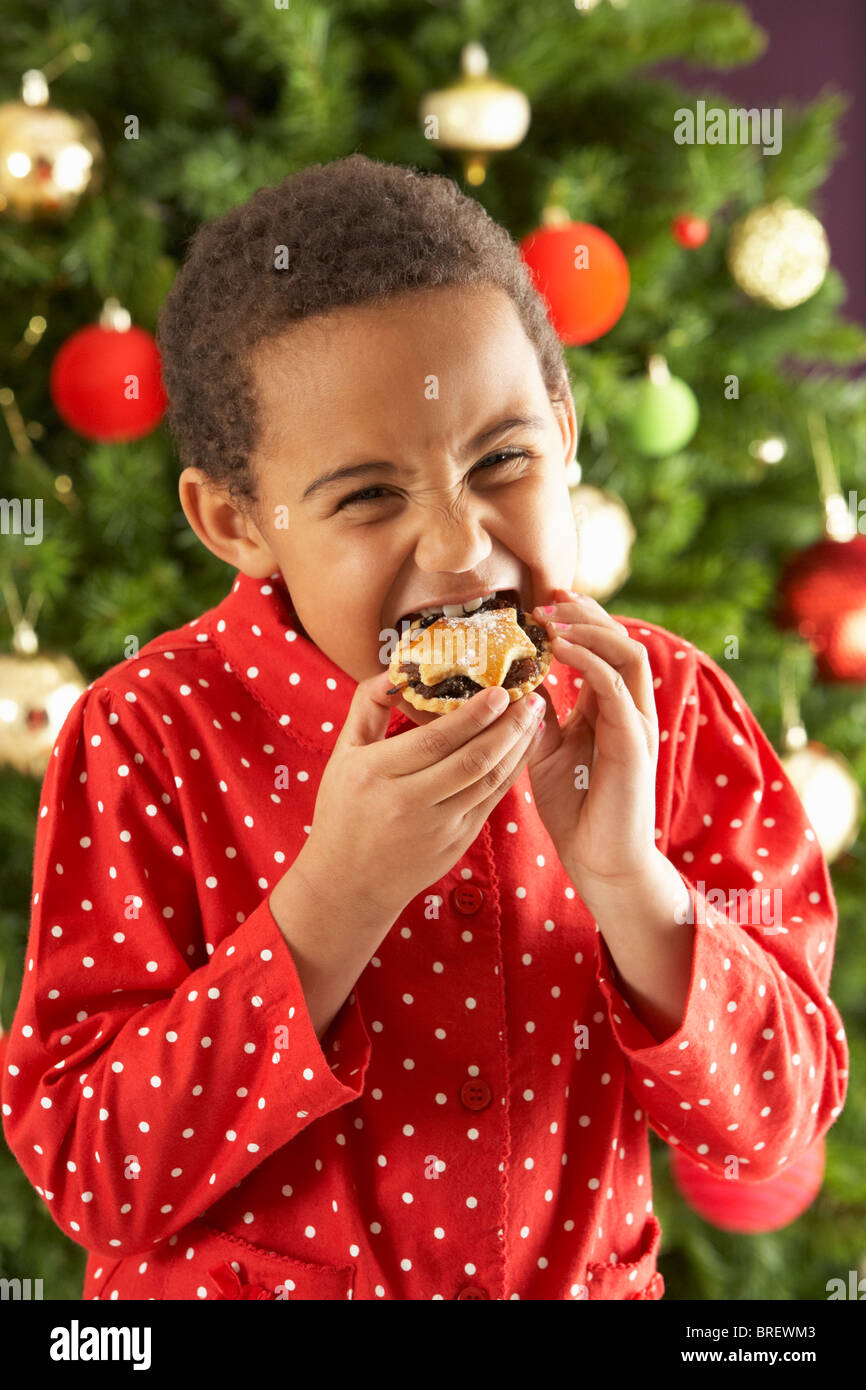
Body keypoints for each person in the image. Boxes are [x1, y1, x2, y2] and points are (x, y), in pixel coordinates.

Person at [1, 154, 848, 1301]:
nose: (457, 548)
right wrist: (333, 898)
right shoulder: (146, 736)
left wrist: (629, 883)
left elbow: (772, 1126)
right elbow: (94, 1171)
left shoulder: (673, 709)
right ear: (236, 519)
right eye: (365, 495)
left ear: (561, 429)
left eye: (501, 459)